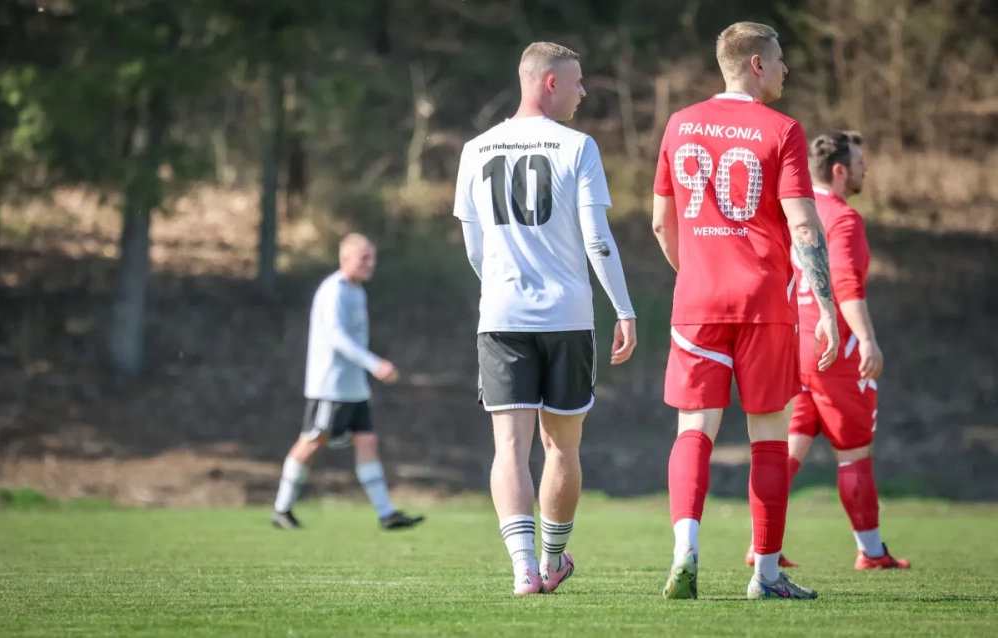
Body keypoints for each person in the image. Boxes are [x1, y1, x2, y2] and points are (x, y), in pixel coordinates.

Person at [651, 21, 840, 600]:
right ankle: (766, 575)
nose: (786, 69)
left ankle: (685, 550)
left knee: (694, 429)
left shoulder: (680, 123)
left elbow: (660, 222)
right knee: (769, 435)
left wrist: (695, 274)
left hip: (697, 300)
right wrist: (826, 306)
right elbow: (803, 223)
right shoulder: (783, 129)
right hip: (764, 301)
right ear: (756, 64)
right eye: (779, 59)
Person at [453, 41, 638, 595]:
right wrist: (623, 308)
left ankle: (523, 569)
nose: (583, 92)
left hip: (501, 316)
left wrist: (502, 287)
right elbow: (597, 241)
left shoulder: (475, 149)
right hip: (567, 316)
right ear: (550, 82)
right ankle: (553, 559)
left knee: (509, 447)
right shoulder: (577, 147)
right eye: (577, 82)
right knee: (562, 446)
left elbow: (474, 248)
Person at [744, 131, 910, 570]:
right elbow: (846, 286)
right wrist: (867, 339)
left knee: (788, 448)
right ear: (839, 171)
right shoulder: (842, 218)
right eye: (859, 161)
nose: (864, 168)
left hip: (791, 344)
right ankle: (871, 552)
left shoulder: (788, 210)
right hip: (834, 349)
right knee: (854, 451)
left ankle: (761, 544)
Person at [270, 233, 424, 531]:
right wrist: (374, 364)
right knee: (312, 442)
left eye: (372, 258)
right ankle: (281, 508)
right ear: (345, 259)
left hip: (354, 387)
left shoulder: (357, 291)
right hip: (331, 386)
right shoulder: (334, 290)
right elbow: (337, 338)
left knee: (367, 441)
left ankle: (386, 514)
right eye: (364, 258)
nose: (370, 264)